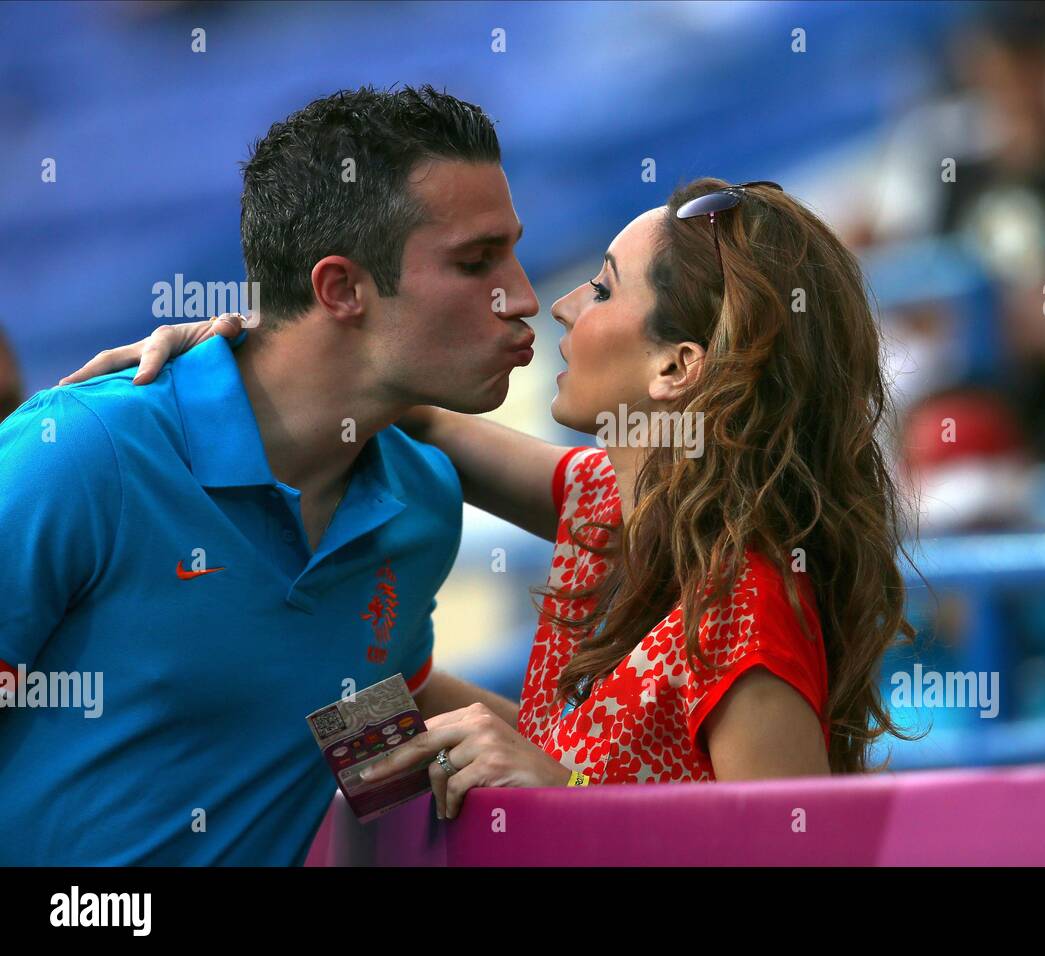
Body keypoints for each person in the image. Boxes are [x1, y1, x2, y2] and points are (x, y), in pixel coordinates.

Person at [66, 178, 920, 819]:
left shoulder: (751, 605)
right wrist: (235, 350)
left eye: (604, 289)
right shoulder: (607, 508)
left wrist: (567, 799)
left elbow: (789, 853)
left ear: (675, 367)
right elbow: (404, 409)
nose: (558, 306)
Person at [0, 85, 541, 865]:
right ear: (341, 288)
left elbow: (348, 728)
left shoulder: (421, 498)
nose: (521, 297)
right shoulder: (83, 455)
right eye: (476, 262)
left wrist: (587, 786)